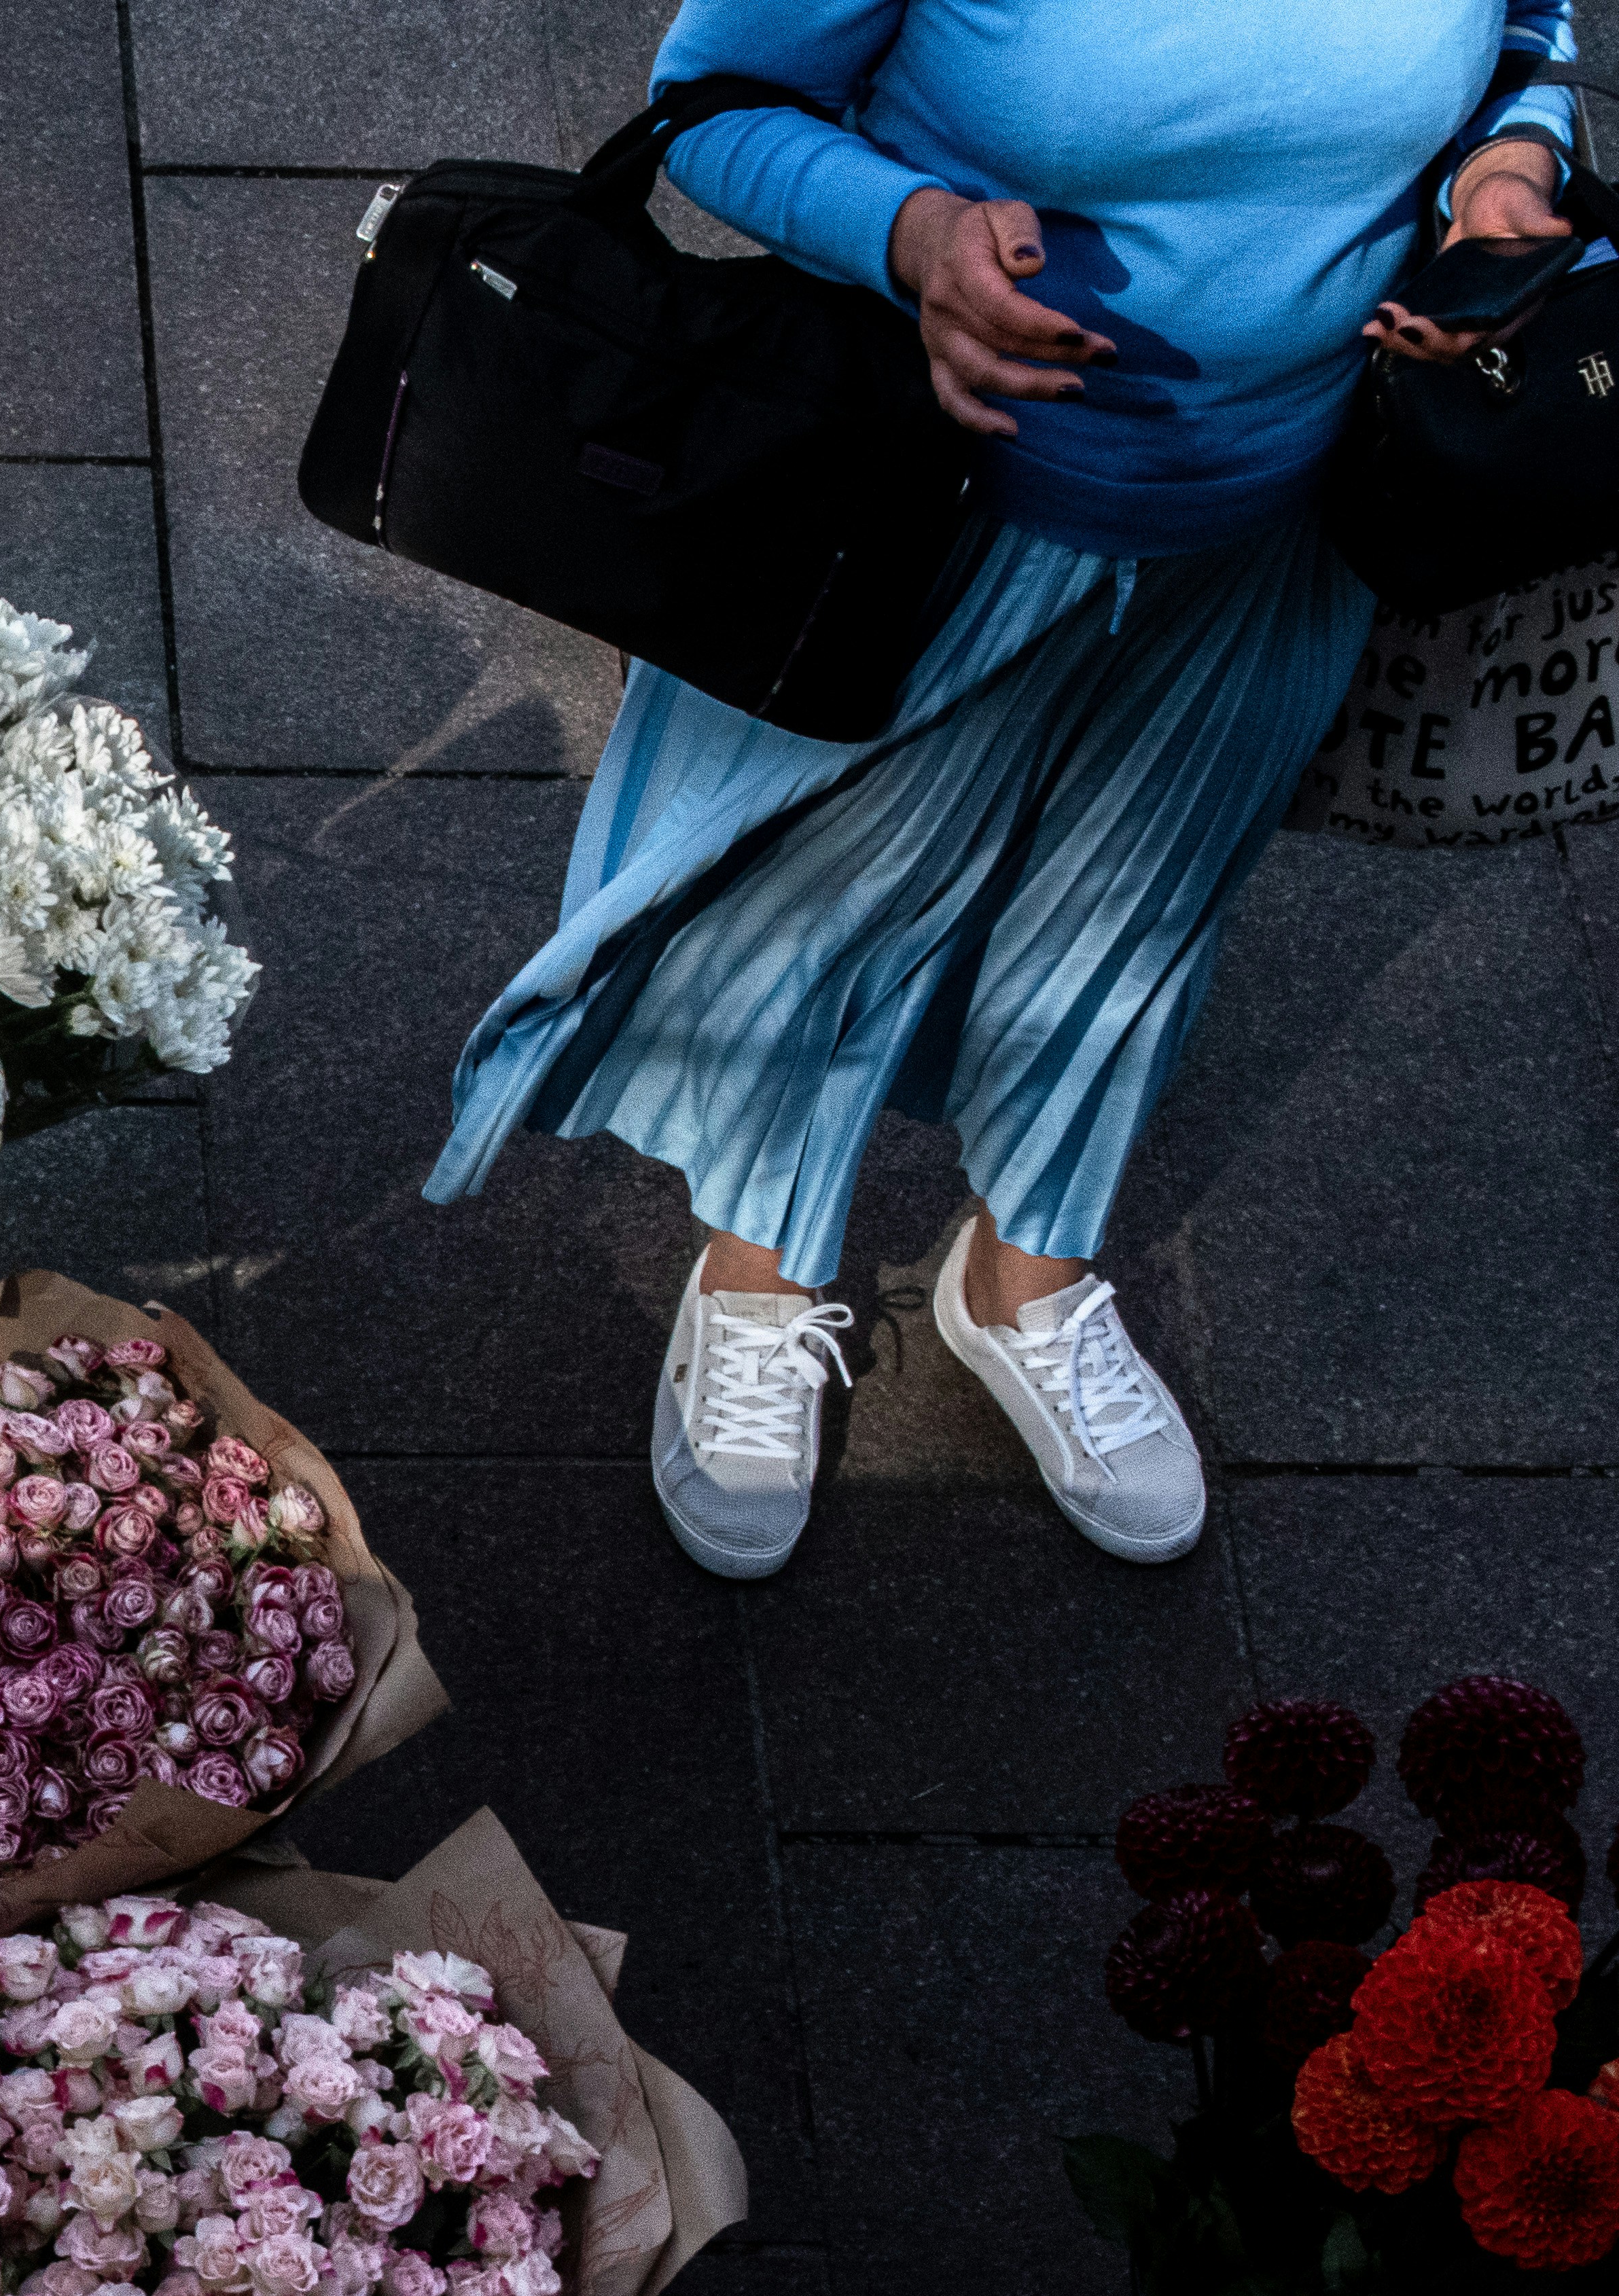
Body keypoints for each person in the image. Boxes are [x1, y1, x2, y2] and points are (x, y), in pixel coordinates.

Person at [423, 1, 1582, 1579]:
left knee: (1131, 929)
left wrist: (1507, 170)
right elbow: (715, 103)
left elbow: (1523, 28)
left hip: (1276, 521)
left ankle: (1020, 1282)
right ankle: (758, 1281)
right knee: (808, 906)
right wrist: (909, 235)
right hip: (919, 509)